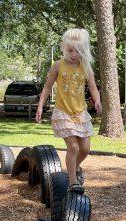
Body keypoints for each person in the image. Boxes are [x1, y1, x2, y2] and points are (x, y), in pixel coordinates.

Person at [35, 28, 102, 193]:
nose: (73, 54)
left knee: (85, 149)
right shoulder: (58, 65)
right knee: (73, 147)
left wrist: (98, 100)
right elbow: (47, 86)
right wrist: (40, 105)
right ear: (65, 48)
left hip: (80, 113)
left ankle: (74, 167)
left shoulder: (85, 67)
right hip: (63, 112)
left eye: (78, 51)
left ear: (84, 51)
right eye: (70, 50)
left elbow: (93, 87)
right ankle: (73, 182)